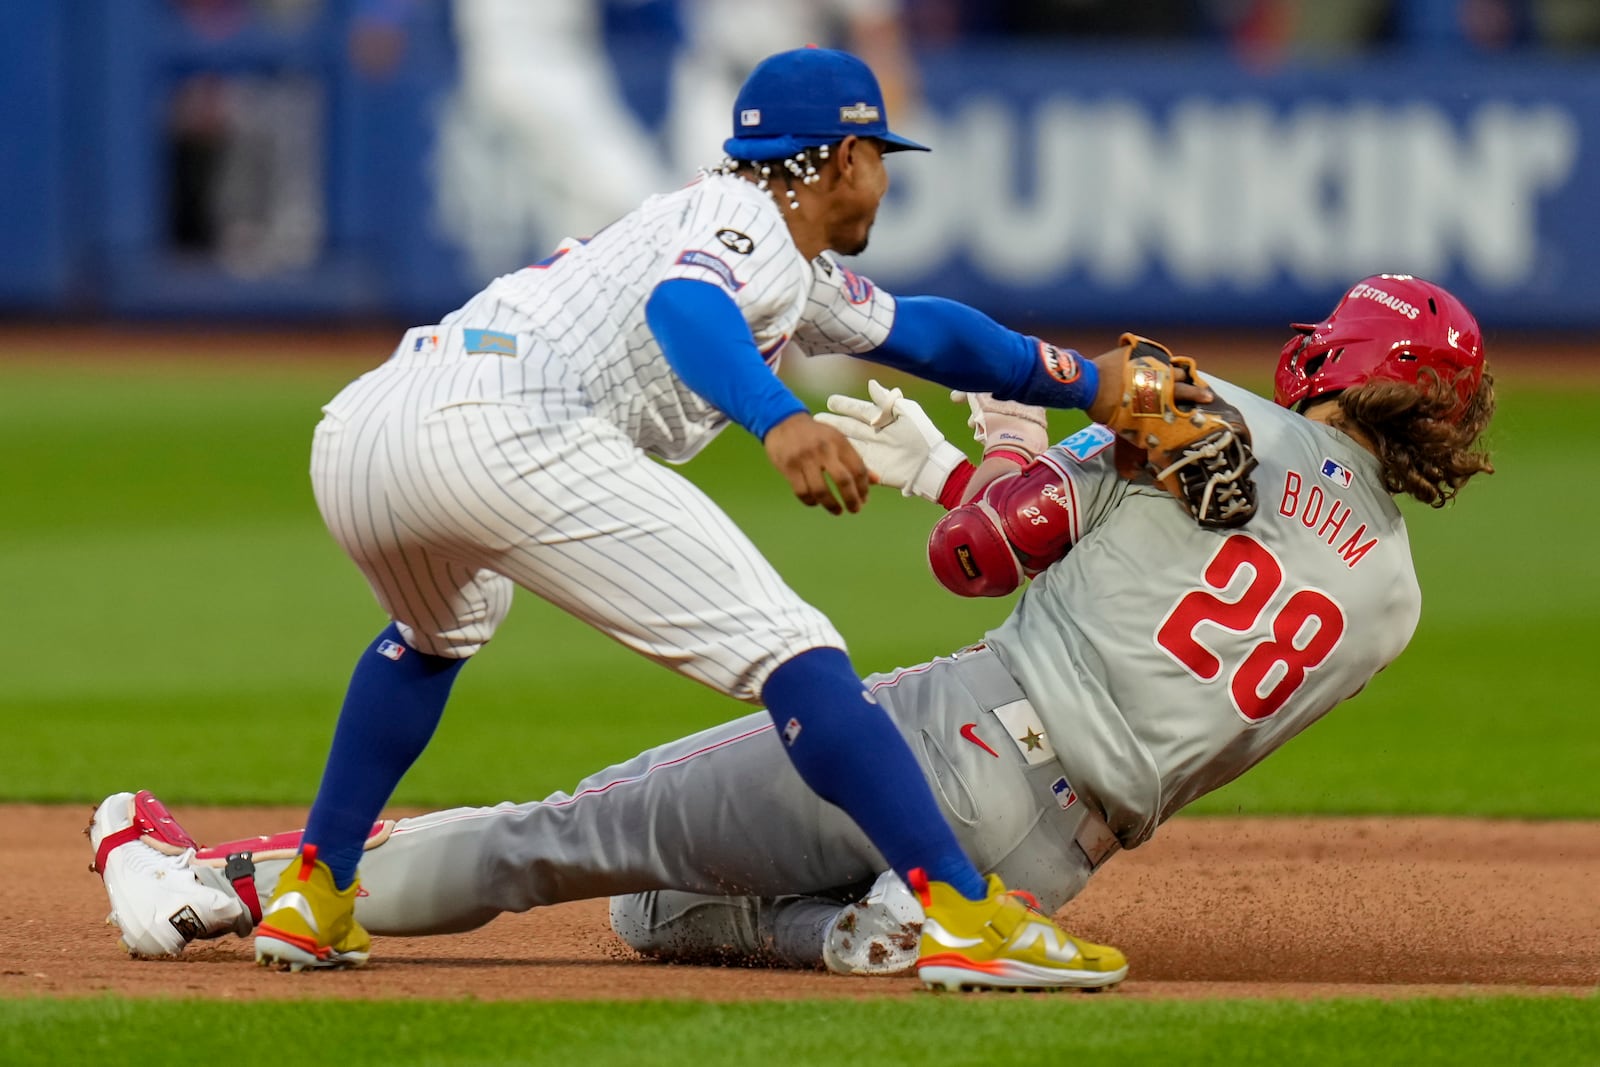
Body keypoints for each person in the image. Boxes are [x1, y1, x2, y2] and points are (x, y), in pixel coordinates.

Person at [88, 274, 1493, 983]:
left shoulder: (1211, 416)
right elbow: (1174, 639)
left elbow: (977, 552)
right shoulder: (1396, 604)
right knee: (651, 910)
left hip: (952, 731)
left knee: (567, 834)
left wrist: (989, 453)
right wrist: (981, 472)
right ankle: (861, 927)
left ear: (1342, 359)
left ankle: (218, 884)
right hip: (1065, 850)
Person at [244, 44, 1165, 990]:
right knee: (796, 648)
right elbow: (685, 304)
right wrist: (781, 419)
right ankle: (964, 913)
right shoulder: (748, 223)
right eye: (881, 155)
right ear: (844, 157)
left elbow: (924, 331)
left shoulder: (762, 246)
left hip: (363, 433)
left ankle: (315, 890)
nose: (885, 180)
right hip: (509, 429)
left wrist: (1091, 384)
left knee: (433, 633)